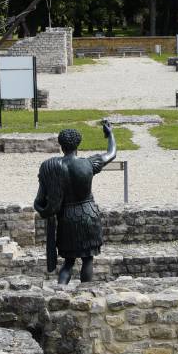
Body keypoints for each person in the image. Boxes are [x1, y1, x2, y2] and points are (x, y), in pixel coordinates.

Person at [33, 120, 117, 284]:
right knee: (87, 260)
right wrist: (110, 134)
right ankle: (85, 295)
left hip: (66, 218)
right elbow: (112, 153)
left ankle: (60, 293)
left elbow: (39, 201)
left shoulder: (51, 167)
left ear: (61, 145)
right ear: (78, 144)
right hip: (88, 214)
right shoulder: (88, 164)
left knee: (68, 262)